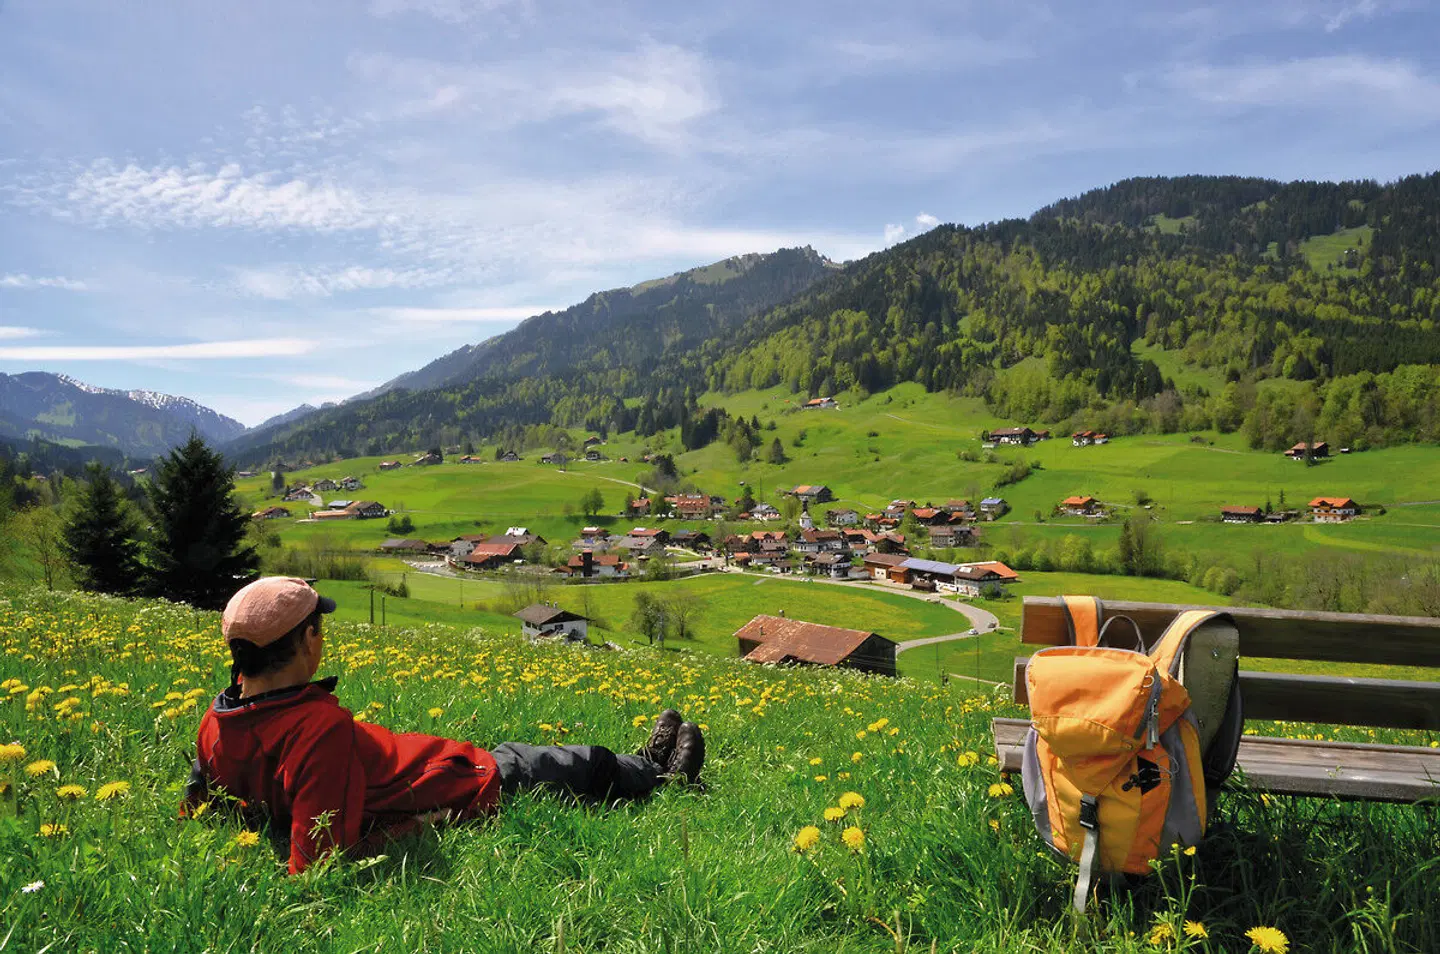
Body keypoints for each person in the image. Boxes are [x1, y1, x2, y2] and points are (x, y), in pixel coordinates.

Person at [183, 576, 705, 874]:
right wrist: (415, 827)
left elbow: (201, 799)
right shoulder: (318, 729)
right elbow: (316, 859)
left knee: (550, 764)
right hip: (459, 779)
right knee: (576, 763)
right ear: (308, 641)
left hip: (429, 763)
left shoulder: (218, 718)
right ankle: (660, 775)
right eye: (319, 628)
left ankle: (647, 763)